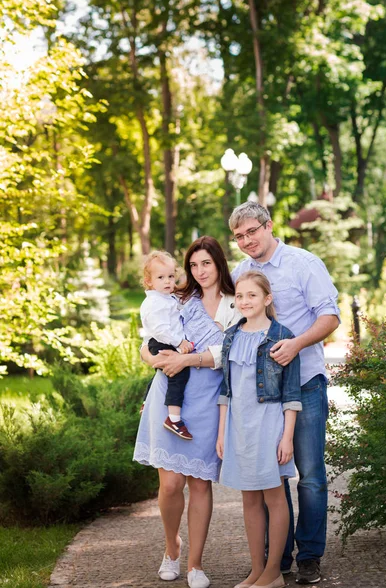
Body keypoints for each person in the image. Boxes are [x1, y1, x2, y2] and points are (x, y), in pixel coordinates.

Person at [229, 202, 340, 585]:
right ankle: (278, 559)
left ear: (268, 226)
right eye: (239, 236)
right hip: (262, 398)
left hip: (305, 381)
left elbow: (330, 316)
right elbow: (225, 322)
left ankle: (309, 555)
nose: (246, 241)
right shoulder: (242, 273)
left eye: (251, 232)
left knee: (309, 475)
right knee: (271, 476)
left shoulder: (303, 263)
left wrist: (296, 344)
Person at [133, 236, 241, 588]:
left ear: (218, 264)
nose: (199, 271)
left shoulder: (235, 301)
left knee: (199, 483)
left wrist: (187, 358)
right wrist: (151, 357)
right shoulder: (179, 298)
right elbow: (149, 335)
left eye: (205, 264)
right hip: (170, 392)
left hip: (209, 396)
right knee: (170, 484)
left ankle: (195, 564)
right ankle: (172, 548)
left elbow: (232, 351)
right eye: (193, 265)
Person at [217, 271, 302, 588]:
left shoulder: (282, 336)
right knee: (249, 498)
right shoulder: (231, 336)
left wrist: (287, 437)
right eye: (239, 296)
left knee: (274, 496)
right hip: (239, 425)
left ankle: (273, 572)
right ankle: (256, 570)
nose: (244, 301)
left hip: (269, 424)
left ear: (267, 299)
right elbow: (225, 390)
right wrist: (221, 432)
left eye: (251, 295)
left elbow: (291, 394)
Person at [140, 250, 195, 440]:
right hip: (162, 341)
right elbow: (161, 329)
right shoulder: (154, 303)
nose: (167, 281)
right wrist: (179, 342)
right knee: (178, 373)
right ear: (149, 281)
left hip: (166, 340)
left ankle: (147, 402)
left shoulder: (165, 298)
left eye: (171, 276)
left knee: (161, 374)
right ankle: (174, 418)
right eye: (161, 277)